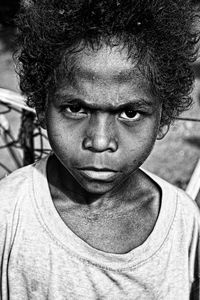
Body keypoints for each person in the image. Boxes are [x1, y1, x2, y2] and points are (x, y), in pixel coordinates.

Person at [0, 0, 200, 299]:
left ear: (163, 118)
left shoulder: (184, 224)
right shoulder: (9, 212)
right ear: (42, 107)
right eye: (76, 108)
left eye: (130, 113)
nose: (100, 141)